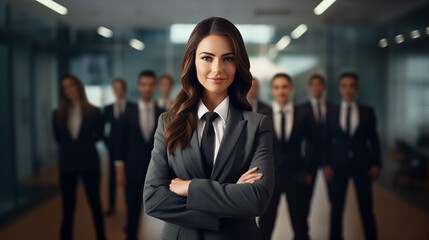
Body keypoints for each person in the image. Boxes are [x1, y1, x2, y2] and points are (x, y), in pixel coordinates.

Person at [143, 17, 274, 240]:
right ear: (192, 61)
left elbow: (256, 199)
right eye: (207, 58)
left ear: (238, 63)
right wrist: (224, 208)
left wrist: (190, 187)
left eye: (228, 59)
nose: (217, 69)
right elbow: (154, 200)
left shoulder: (257, 125)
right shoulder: (168, 122)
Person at [259, 73, 319, 240]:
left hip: (297, 175)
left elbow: (315, 143)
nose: (281, 91)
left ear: (291, 89)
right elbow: (256, 147)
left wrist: (308, 170)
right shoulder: (263, 114)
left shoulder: (303, 113)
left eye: (285, 87)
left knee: (300, 224)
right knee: (265, 225)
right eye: (277, 87)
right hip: (271, 177)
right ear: (272, 90)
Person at [323, 72, 381, 240]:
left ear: (357, 88)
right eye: (344, 85)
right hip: (337, 165)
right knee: (336, 208)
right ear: (340, 88)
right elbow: (325, 140)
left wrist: (377, 163)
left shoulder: (367, 111)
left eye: (351, 85)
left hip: (363, 165)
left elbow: (374, 140)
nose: (348, 89)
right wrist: (326, 164)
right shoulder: (331, 112)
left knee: (366, 208)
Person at [52, 74, 106, 240]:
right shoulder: (57, 114)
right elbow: (58, 138)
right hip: (67, 165)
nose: (68, 90)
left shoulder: (95, 112)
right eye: (64, 88)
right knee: (68, 208)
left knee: (95, 205)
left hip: (89, 162)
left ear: (78, 87)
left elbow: (100, 134)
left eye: (71, 85)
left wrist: (85, 144)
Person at [115, 70, 164, 240]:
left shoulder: (162, 113)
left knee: (159, 212)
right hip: (132, 169)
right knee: (132, 211)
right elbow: (119, 143)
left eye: (151, 84)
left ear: (155, 87)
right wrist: (119, 169)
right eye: (144, 84)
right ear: (138, 86)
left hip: (156, 170)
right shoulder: (127, 113)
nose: (147, 88)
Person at [299, 74, 334, 205]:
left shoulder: (333, 108)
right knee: (306, 198)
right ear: (309, 87)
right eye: (313, 85)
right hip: (309, 157)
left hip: (330, 157)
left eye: (319, 84)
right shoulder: (302, 109)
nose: (316, 88)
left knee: (334, 199)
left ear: (324, 86)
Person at [103, 78, 131, 216]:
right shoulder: (107, 109)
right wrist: (108, 144)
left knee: (129, 178)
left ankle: (129, 208)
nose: (118, 90)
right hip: (113, 149)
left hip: (129, 148)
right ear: (113, 90)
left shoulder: (132, 107)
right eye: (115, 87)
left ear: (124, 89)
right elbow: (103, 130)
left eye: (120, 87)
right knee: (112, 178)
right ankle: (111, 206)